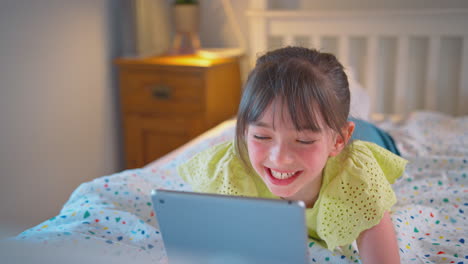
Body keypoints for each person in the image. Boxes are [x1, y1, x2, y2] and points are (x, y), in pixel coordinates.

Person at [178, 46, 407, 263]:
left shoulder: (358, 178)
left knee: (366, 131)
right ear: (246, 129)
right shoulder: (230, 172)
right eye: (262, 136)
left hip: (366, 136)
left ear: (338, 141)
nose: (279, 158)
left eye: (303, 140)